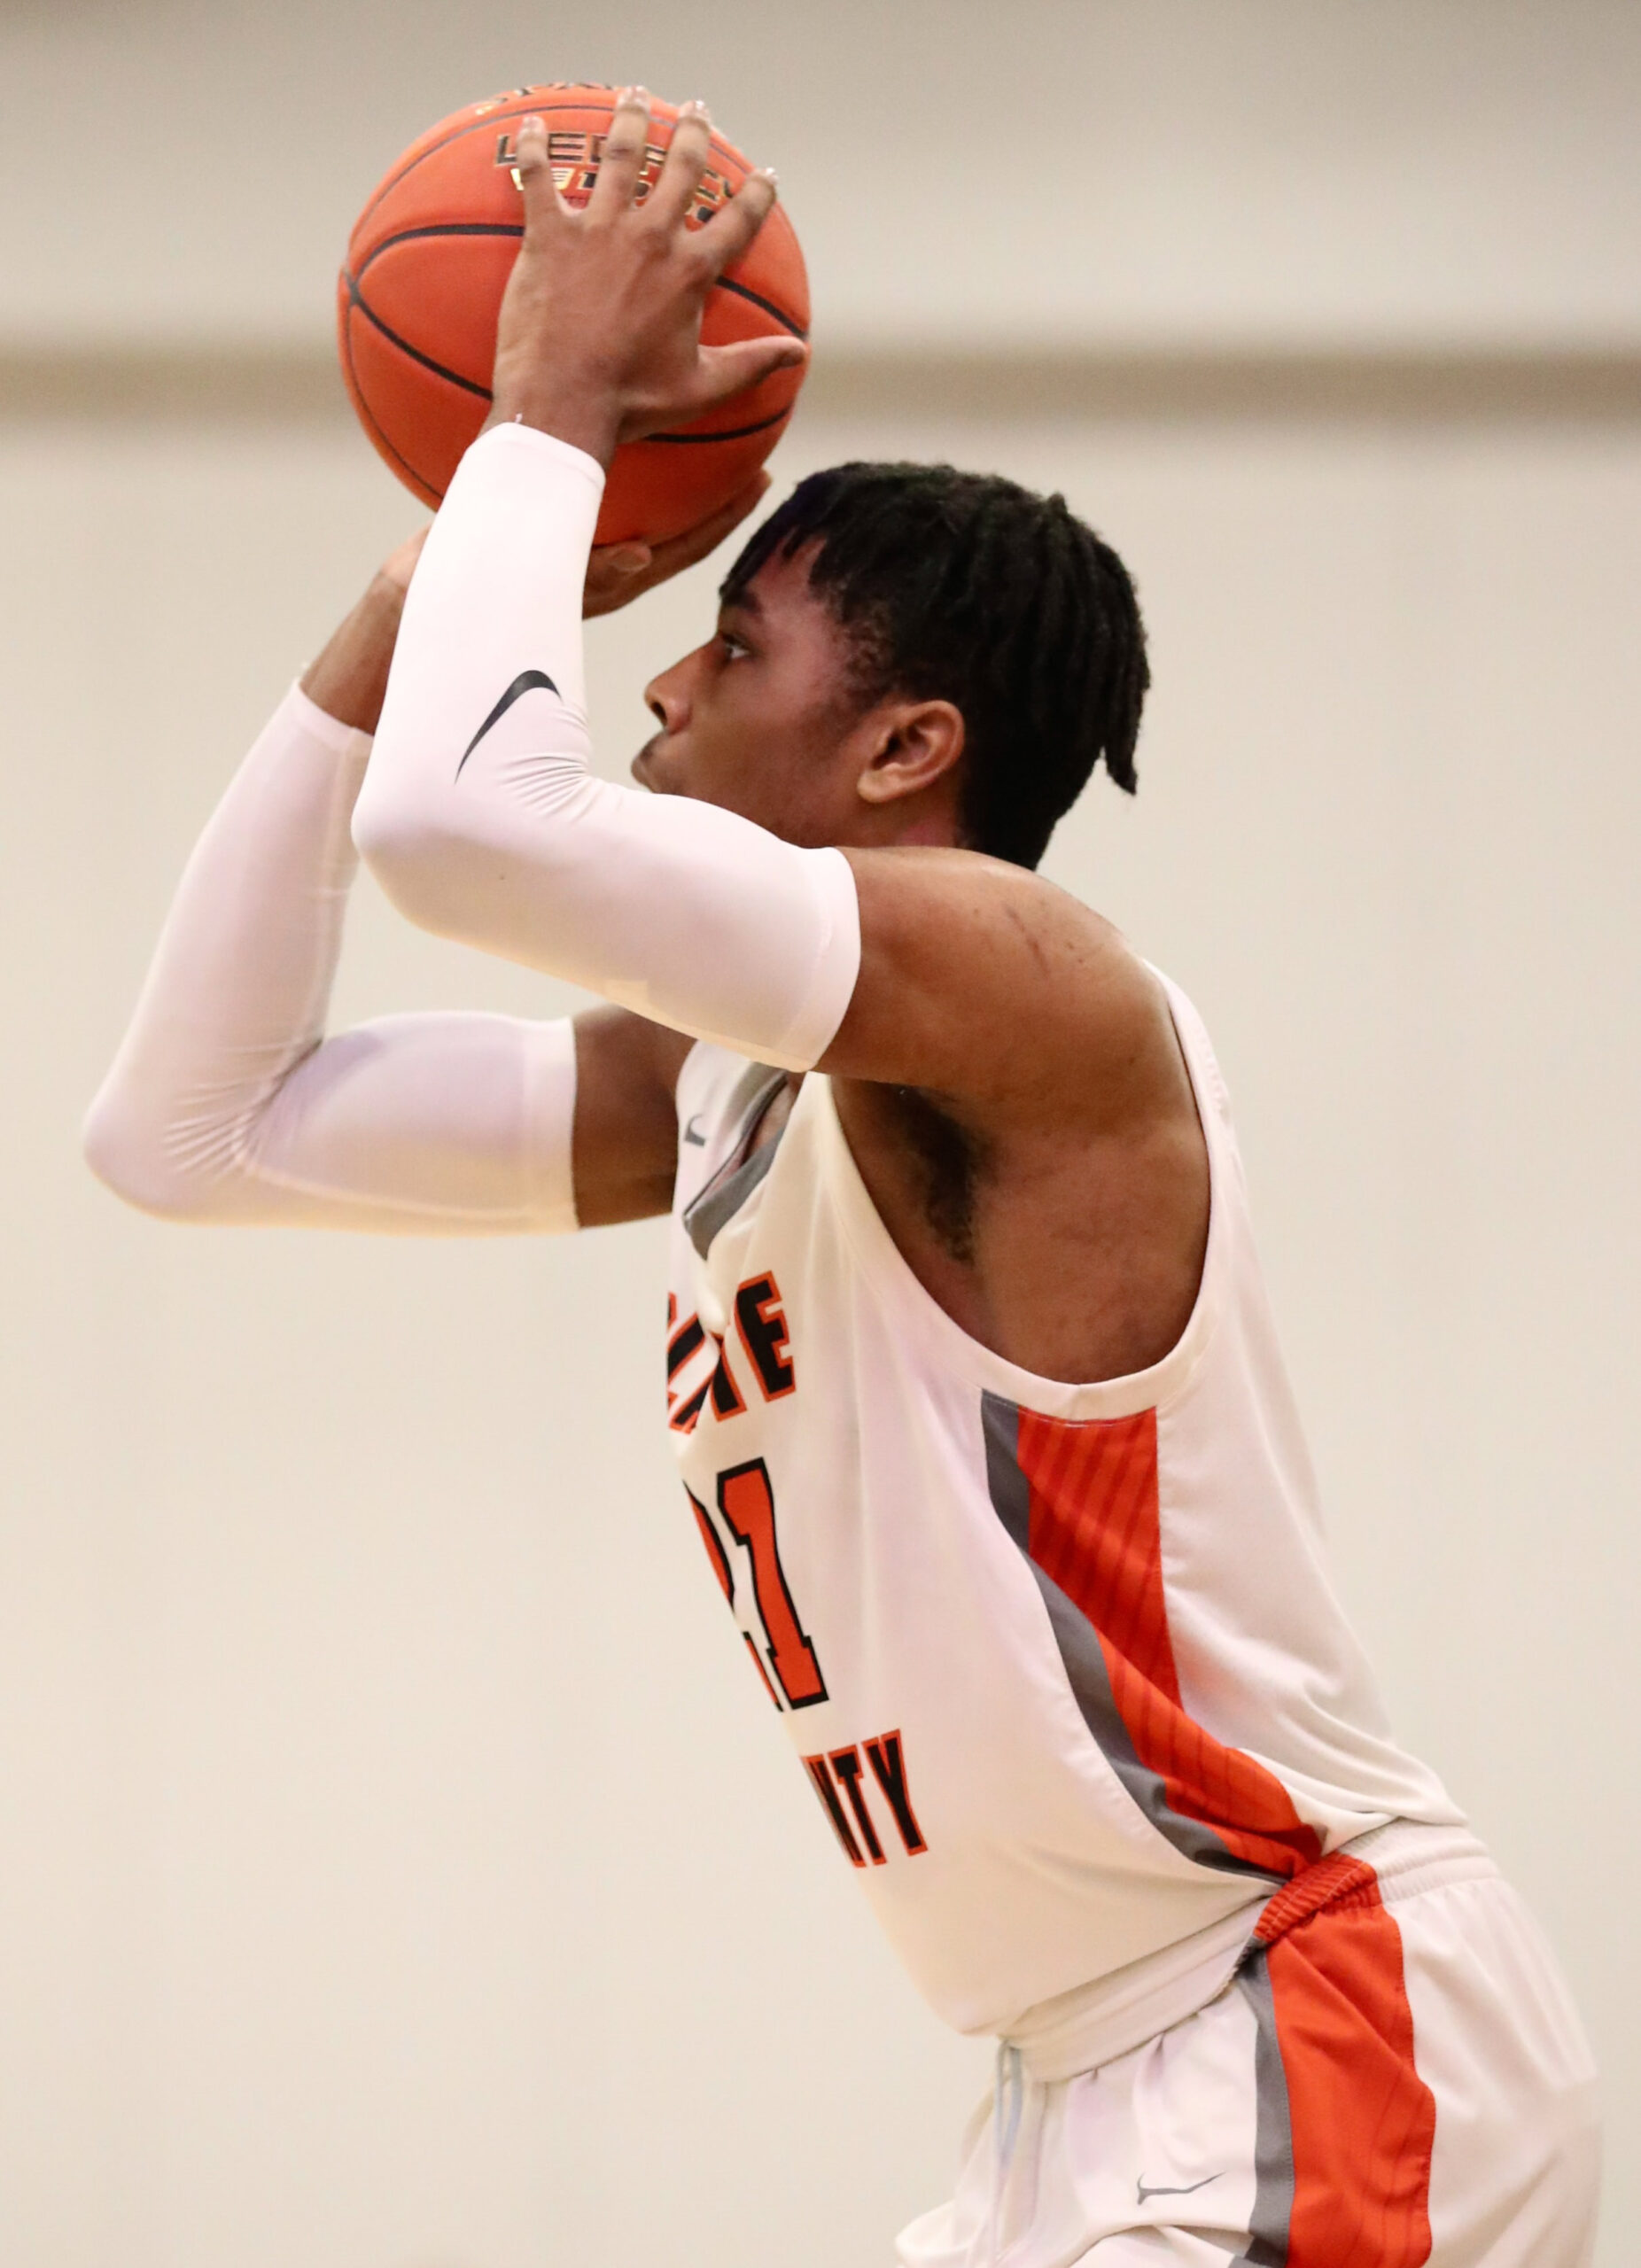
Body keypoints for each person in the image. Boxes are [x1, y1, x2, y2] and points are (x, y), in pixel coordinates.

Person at [86, 90, 1598, 2266]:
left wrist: (547, 414)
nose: (657, 668)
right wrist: (424, 581)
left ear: (903, 748)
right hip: (1074, 2079)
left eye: (736, 644)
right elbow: (188, 1130)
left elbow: (463, 829)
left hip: (1304, 2011)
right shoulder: (735, 1081)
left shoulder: (1031, 983)